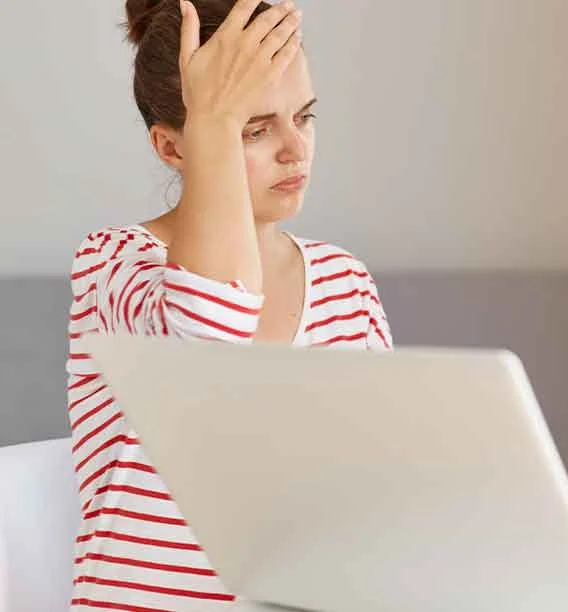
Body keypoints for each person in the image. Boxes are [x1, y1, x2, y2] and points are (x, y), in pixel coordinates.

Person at [66, 0, 391, 608]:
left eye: (305, 116)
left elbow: (370, 486)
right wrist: (212, 117)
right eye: (255, 128)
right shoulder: (112, 264)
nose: (295, 149)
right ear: (172, 147)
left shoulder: (346, 281)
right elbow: (210, 342)